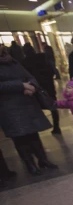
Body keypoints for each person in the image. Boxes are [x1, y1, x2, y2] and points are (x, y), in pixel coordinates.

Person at [0, 44, 57, 175]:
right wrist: (21, 85)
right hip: (8, 107)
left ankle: (43, 160)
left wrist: (31, 86)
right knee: (20, 137)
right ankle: (30, 165)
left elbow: (29, 75)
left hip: (27, 102)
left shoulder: (12, 61)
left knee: (33, 134)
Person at [22, 43, 61, 134]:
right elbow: (51, 70)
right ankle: (56, 127)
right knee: (53, 106)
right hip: (49, 86)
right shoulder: (43, 57)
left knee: (36, 108)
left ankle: (39, 127)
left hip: (36, 88)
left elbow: (25, 77)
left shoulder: (24, 62)